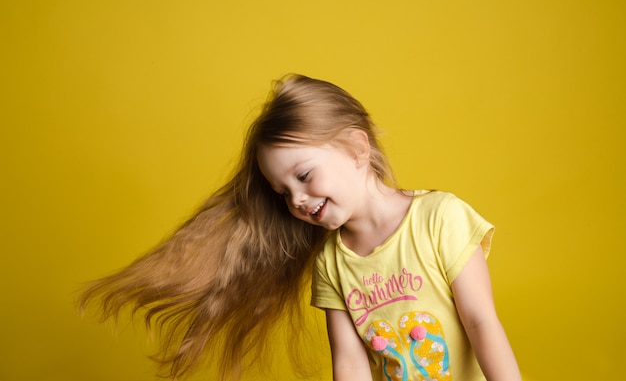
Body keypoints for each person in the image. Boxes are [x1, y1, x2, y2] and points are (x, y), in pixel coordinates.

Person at [80, 74, 521, 381]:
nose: (296, 200)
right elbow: (349, 361)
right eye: (282, 191)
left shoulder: (441, 218)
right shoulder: (331, 261)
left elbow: (482, 322)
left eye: (304, 176)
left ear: (355, 147)